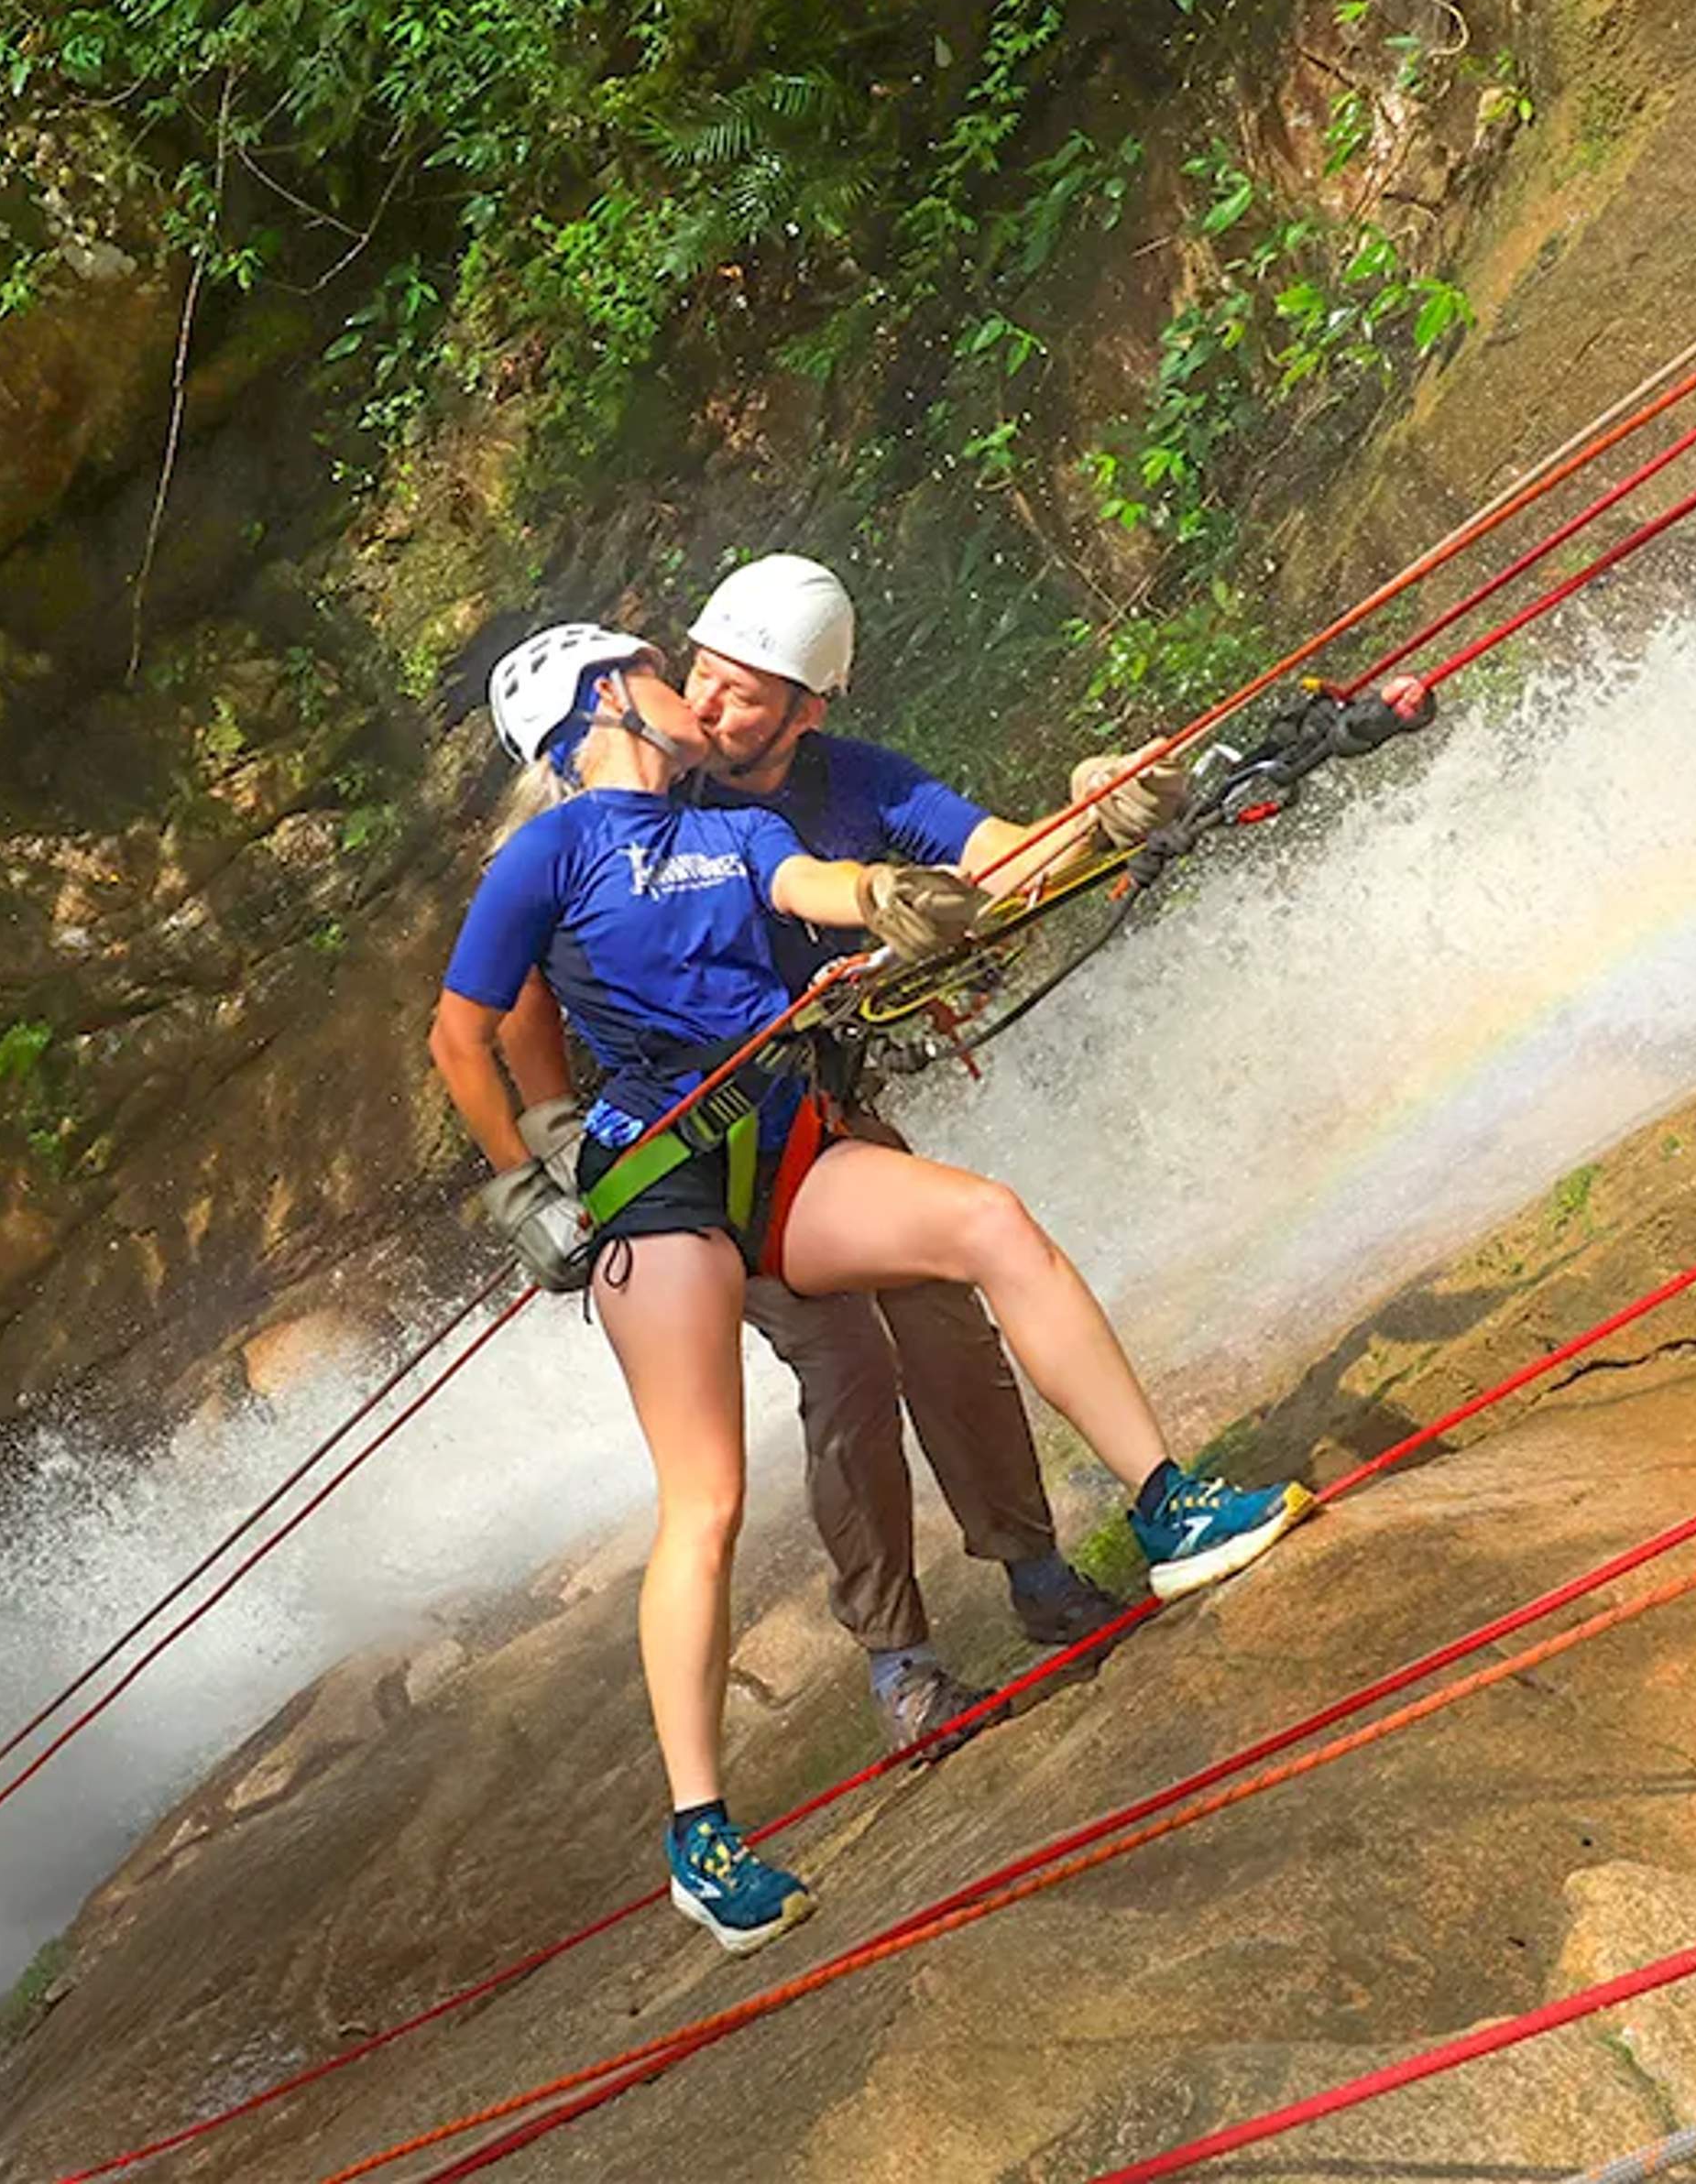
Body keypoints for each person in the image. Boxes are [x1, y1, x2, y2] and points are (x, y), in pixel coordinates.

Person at [429, 621, 1306, 1957]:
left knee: (992, 1227)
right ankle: (700, 1831)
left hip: (786, 1150)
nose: (684, 686)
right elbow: (462, 1029)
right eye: (657, 669)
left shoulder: (734, 831)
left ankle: (1169, 1507)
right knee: (707, 1498)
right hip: (656, 1187)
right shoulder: (549, 852)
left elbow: (816, 888)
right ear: (610, 696)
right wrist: (521, 1176)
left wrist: (894, 900)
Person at [493, 554, 1189, 1758]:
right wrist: (547, 1152)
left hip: (824, 1116)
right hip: (703, 1163)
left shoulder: (856, 786)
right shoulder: (645, 798)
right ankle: (902, 1663)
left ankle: (1032, 1572)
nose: (709, 705)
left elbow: (996, 862)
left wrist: (1096, 814)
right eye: (699, 674)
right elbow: (512, 1000)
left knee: (945, 1314)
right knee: (850, 1365)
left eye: (742, 690)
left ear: (805, 710)